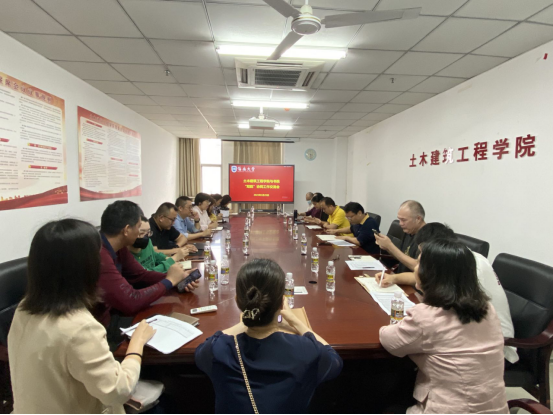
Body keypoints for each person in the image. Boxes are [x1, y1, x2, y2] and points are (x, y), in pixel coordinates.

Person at [8, 219, 157, 414]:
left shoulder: (23, 308)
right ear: (85, 266)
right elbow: (118, 392)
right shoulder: (80, 328)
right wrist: (137, 343)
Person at [195, 259, 343, 414]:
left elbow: (203, 351)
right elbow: (334, 360)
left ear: (238, 301)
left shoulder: (217, 349)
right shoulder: (306, 349)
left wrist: (247, 320)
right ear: (281, 304)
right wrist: (295, 321)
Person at [380, 239, 509, 414]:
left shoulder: (426, 317)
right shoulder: (488, 309)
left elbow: (389, 341)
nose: (415, 268)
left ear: (432, 275)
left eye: (419, 264)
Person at [376, 222, 519, 365]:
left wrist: (421, 316)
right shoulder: (459, 258)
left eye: (423, 257)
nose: (419, 265)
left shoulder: (470, 266)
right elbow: (423, 278)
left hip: (492, 343)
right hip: (470, 330)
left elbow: (439, 315)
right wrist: (394, 278)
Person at [96, 201, 199, 328]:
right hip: (103, 325)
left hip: (116, 313)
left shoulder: (119, 247)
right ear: (127, 230)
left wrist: (178, 279)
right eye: (138, 227)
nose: (141, 234)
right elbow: (131, 301)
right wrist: (169, 281)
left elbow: (140, 275)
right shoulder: (100, 255)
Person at [375, 200, 426, 274]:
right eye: (399, 219)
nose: (400, 223)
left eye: (403, 220)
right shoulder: (409, 231)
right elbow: (401, 256)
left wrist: (390, 245)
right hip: (399, 276)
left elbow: (418, 267)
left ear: (418, 219)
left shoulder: (428, 238)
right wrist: (386, 247)